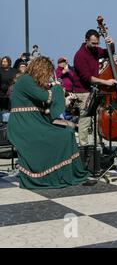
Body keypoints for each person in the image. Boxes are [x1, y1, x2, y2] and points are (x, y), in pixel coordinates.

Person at [7, 56, 89, 189]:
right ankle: (51, 175)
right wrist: (57, 88)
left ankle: (65, 174)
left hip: (32, 123)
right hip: (24, 126)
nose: (48, 77)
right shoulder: (26, 80)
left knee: (67, 132)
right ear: (41, 70)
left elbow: (44, 107)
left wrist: (62, 97)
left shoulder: (29, 81)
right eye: (47, 73)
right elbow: (45, 97)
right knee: (62, 135)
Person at [73, 29, 117, 149]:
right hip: (83, 92)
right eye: (93, 43)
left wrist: (111, 43)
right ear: (86, 40)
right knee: (85, 119)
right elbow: (87, 78)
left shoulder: (95, 50)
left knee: (98, 119)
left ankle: (98, 145)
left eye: (97, 43)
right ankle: (83, 147)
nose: (96, 45)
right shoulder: (79, 56)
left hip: (94, 90)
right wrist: (106, 82)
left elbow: (109, 52)